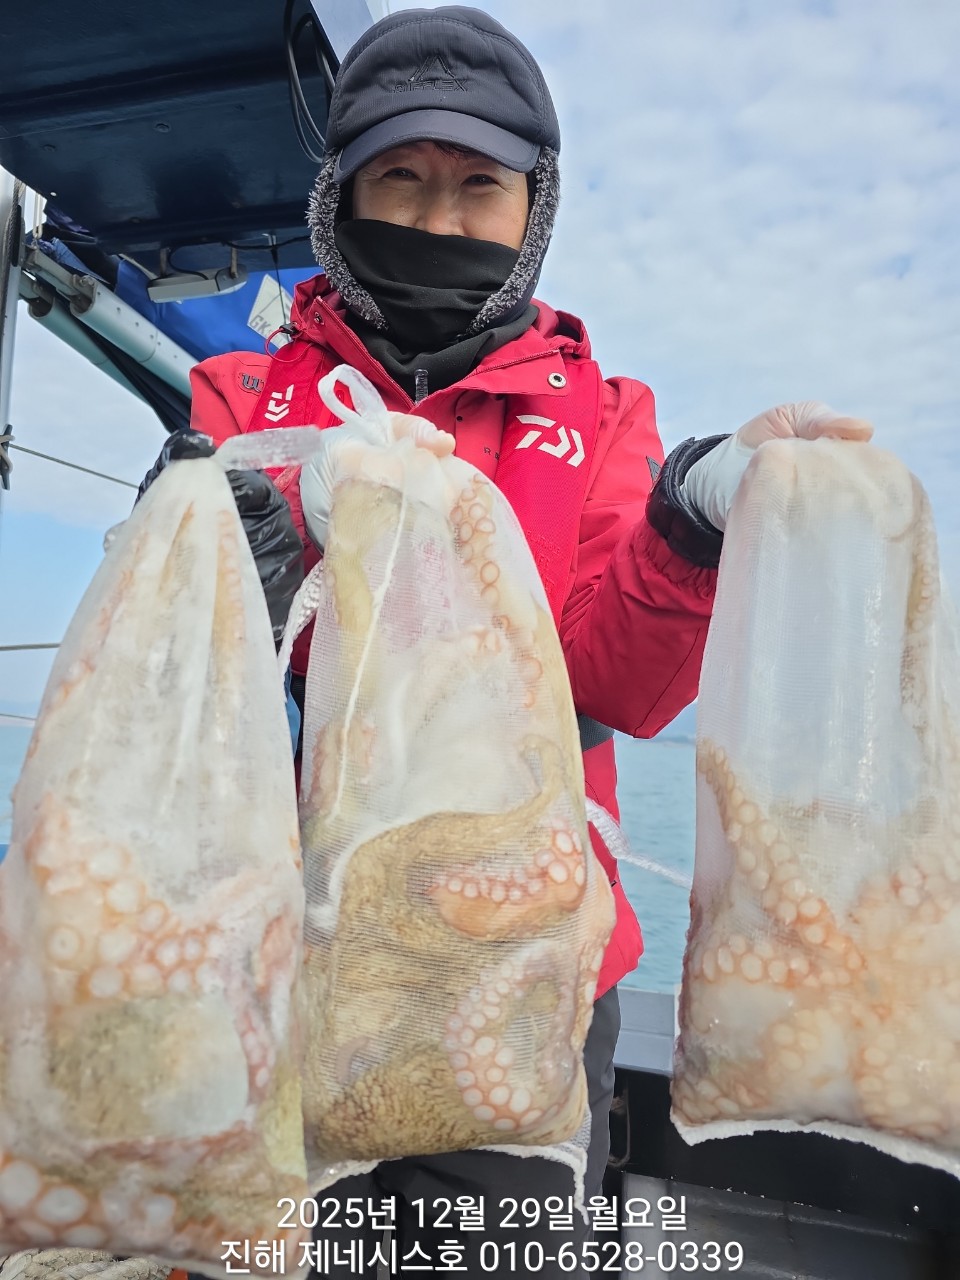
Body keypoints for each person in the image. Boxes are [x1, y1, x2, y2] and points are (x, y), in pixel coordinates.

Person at [140, 7, 872, 1275]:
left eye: (478, 185)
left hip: (519, 967)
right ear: (341, 194)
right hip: (266, 959)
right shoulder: (243, 397)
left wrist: (689, 526)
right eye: (400, 179)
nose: (436, 219)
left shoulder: (605, 415)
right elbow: (177, 703)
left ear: (534, 208)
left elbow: (615, 685)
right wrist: (209, 565)